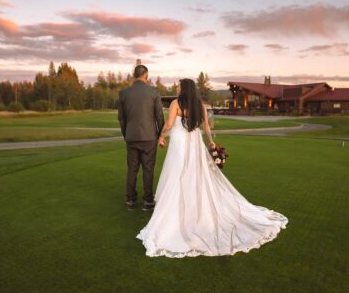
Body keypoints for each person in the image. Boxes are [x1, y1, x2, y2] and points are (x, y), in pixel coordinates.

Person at [137, 78, 288, 257]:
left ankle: (177, 208)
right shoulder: (200, 105)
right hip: (195, 142)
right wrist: (211, 142)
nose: (177, 89)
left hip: (179, 143)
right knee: (195, 173)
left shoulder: (176, 103)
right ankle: (192, 204)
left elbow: (169, 124)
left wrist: (162, 136)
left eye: (179, 87)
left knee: (177, 172)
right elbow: (206, 127)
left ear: (183, 89)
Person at [118, 65, 164, 211]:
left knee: (132, 169)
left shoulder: (124, 93)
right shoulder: (153, 92)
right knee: (148, 169)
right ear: (146, 75)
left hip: (131, 136)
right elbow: (159, 116)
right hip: (149, 137)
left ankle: (130, 200)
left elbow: (121, 118)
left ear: (134, 75)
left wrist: (126, 133)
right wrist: (160, 134)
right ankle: (147, 201)